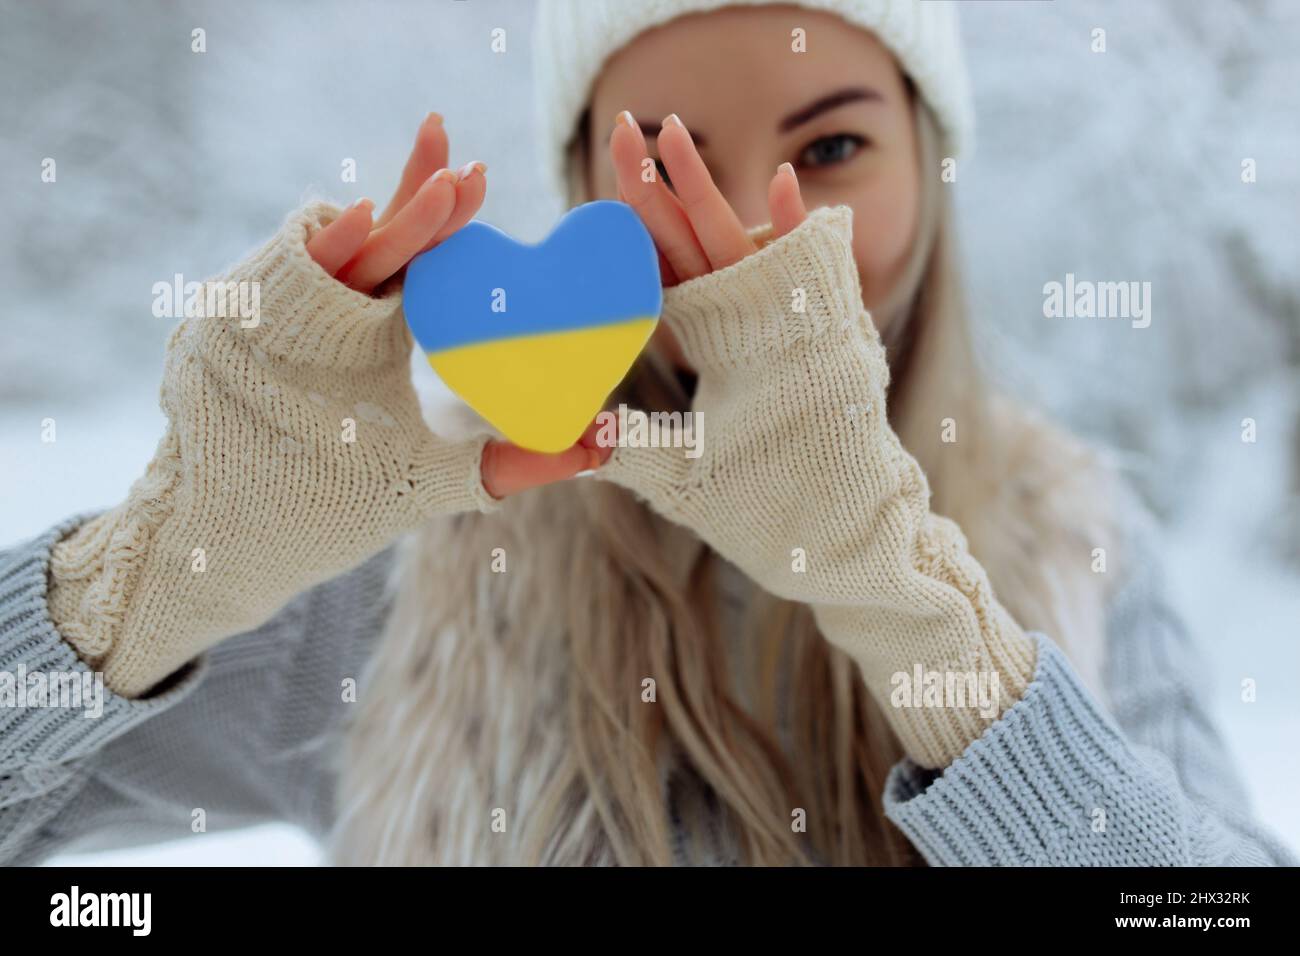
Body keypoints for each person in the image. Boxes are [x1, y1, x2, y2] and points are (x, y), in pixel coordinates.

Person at [1, 0, 1291, 866]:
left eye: (830, 145)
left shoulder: (1077, 539)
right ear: (579, 197)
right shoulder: (405, 550)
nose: (740, 232)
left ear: (931, 159)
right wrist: (152, 577)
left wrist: (904, 602)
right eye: (663, 166)